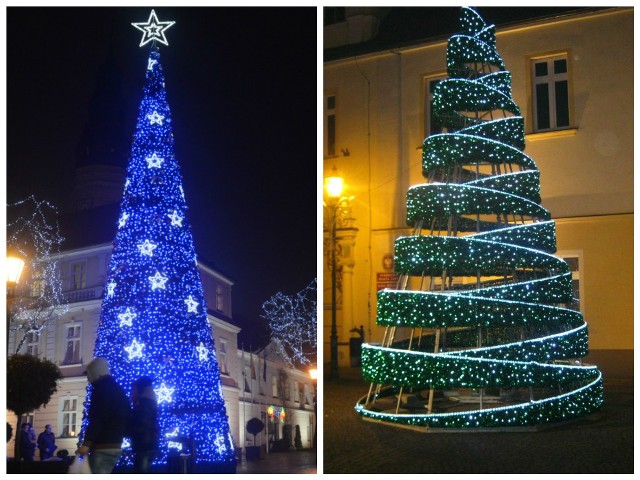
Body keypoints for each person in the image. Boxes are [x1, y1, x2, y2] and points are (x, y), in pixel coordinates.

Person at [76, 357, 131, 474]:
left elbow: (98, 418)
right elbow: (127, 415)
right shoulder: (119, 390)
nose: (88, 378)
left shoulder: (100, 390)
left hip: (103, 446)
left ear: (95, 372)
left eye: (89, 374)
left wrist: (86, 443)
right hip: (116, 445)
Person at [129, 376, 159, 474]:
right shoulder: (149, 402)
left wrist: (129, 430)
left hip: (144, 444)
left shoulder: (143, 404)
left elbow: (142, 424)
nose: (132, 392)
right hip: (148, 444)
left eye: (134, 389)